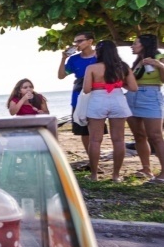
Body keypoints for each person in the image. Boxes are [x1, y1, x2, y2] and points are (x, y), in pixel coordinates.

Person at [82, 40, 138, 182]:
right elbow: (133, 87)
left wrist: (99, 83)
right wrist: (118, 83)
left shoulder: (92, 68)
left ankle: (94, 175)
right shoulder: (123, 67)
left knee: (95, 140)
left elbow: (86, 89)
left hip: (98, 100)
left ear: (99, 52)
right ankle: (116, 176)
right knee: (119, 140)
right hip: (118, 98)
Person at [126, 34, 164, 182]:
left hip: (150, 95)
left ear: (144, 45)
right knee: (138, 135)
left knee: (155, 136)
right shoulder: (137, 61)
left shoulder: (158, 56)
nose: (132, 46)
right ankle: (146, 168)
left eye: (135, 43)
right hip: (132, 95)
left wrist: (159, 65)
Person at [59, 31, 98, 152]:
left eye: (80, 41)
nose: (77, 44)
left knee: (97, 128)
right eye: (75, 41)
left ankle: (96, 155)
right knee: (83, 129)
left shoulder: (100, 56)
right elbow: (61, 76)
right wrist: (63, 59)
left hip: (98, 92)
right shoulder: (73, 59)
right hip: (79, 94)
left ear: (90, 41)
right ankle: (91, 158)